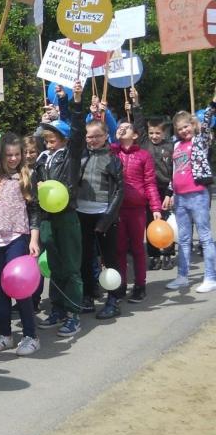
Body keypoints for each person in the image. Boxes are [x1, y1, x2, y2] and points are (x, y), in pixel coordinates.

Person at [33, 79, 85, 337]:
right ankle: (58, 309)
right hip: (47, 219)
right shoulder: (42, 159)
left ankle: (74, 313)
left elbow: (78, 131)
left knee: (71, 267)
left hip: (66, 217)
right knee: (54, 266)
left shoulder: (71, 154)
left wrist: (72, 101)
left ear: (63, 137)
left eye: (53, 134)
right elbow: (33, 187)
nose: (48, 137)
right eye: (46, 134)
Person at [0, 133, 41, 356]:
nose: (14, 159)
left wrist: (34, 239)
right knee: (0, 289)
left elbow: (35, 210)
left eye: (17, 154)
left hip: (17, 237)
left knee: (19, 287)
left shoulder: (27, 176)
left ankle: (30, 336)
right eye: (9, 155)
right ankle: (5, 335)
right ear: (0, 155)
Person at [163, 103, 216, 293]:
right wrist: (169, 193)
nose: (184, 130)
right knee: (184, 239)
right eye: (180, 128)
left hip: (198, 195)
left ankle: (210, 277)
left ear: (193, 125)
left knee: (205, 237)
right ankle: (182, 276)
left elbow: (207, 121)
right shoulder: (176, 145)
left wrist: (212, 106)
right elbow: (176, 172)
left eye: (186, 126)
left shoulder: (200, 140)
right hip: (180, 198)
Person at [77, 119, 124, 319]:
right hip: (82, 213)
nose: (93, 140)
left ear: (106, 136)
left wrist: (107, 218)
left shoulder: (114, 160)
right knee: (85, 258)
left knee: (110, 259)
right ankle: (88, 295)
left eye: (97, 136)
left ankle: (113, 298)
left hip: (104, 215)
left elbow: (120, 191)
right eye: (89, 136)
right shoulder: (81, 156)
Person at [112, 119, 161, 303]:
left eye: (127, 127)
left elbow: (150, 183)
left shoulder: (144, 156)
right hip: (116, 208)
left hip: (137, 209)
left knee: (138, 248)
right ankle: (121, 285)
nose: (122, 129)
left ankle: (140, 285)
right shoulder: (113, 151)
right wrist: (113, 139)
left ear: (135, 135)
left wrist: (155, 207)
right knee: (119, 249)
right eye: (120, 127)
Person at [131, 88, 176, 270]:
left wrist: (170, 193)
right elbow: (139, 124)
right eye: (151, 133)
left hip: (165, 190)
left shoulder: (171, 147)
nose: (154, 136)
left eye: (157, 133)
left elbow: (175, 171)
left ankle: (167, 253)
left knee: (166, 222)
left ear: (165, 133)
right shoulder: (144, 143)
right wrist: (136, 103)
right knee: (150, 222)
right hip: (149, 190)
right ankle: (154, 255)